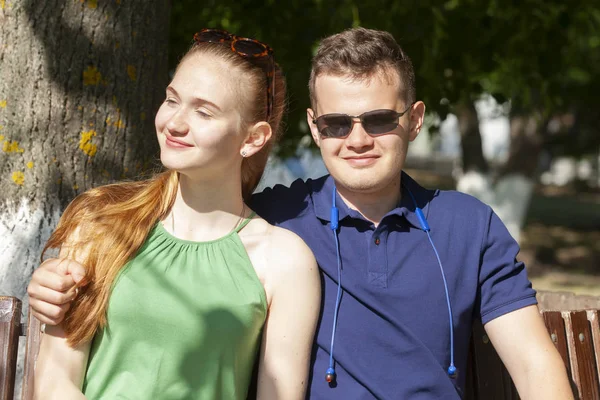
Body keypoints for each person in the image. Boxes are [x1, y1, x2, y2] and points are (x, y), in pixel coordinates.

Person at [28, 28, 572, 399]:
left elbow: (533, 365)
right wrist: (53, 277)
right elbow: (193, 216)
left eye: (379, 119)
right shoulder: (281, 217)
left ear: (415, 119)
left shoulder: (467, 226)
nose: (356, 139)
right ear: (314, 128)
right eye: (336, 124)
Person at [31, 28, 320, 400]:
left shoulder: (284, 259)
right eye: (172, 99)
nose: (175, 123)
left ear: (252, 138)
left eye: (203, 111)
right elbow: (55, 380)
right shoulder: (100, 223)